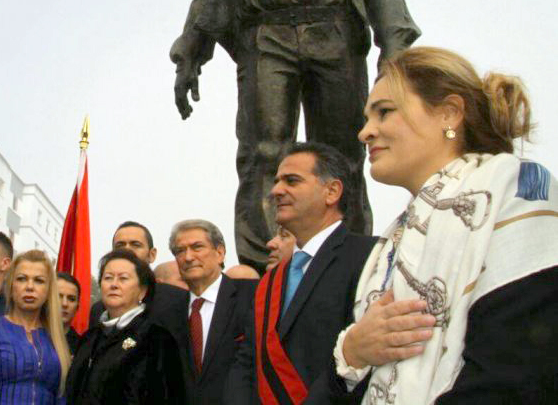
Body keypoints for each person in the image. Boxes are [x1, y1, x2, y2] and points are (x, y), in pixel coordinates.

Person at [170, 0, 420, 271]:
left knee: (344, 153)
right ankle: (265, 258)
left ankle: (349, 256)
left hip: (335, 39)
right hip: (267, 41)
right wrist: (190, 53)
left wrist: (394, 43)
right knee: (264, 152)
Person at [321, 47, 558, 403]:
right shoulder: (389, 246)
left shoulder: (515, 188)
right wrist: (351, 354)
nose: (364, 132)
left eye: (384, 112)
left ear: (449, 113)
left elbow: (518, 373)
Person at [226, 142, 376, 404]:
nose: (275, 191)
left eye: (291, 181)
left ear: (332, 191)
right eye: (276, 181)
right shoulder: (270, 282)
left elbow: (368, 357)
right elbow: (247, 361)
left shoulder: (368, 256)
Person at [65, 249, 188, 404]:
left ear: (142, 291)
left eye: (123, 279)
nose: (114, 285)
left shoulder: (156, 339)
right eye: (108, 278)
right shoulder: (89, 338)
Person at [168, 220, 256, 405]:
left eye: (197, 247)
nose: (188, 257)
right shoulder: (168, 311)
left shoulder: (252, 297)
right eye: (180, 251)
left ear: (220, 253)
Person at [0, 250, 70, 404]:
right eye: (21, 279)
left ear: (48, 290)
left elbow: (61, 397)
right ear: (11, 286)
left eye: (39, 281)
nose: (29, 287)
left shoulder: (55, 338)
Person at [88, 221, 188, 328]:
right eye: (120, 245)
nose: (127, 250)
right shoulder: (99, 310)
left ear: (152, 255)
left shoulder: (177, 300)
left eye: (135, 245)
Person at [57, 271, 82, 354]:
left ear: (77, 307)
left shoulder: (82, 347)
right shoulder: (30, 336)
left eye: (71, 299)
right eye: (58, 297)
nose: (64, 304)